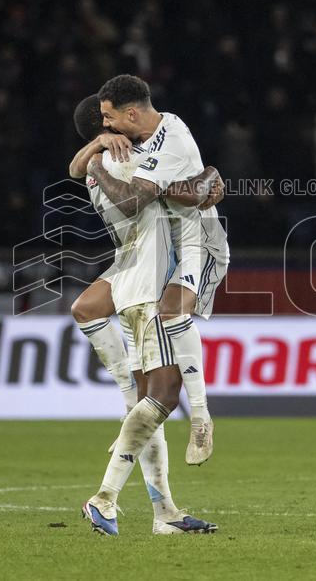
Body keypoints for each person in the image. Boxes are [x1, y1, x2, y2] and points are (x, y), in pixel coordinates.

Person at [78, 75, 229, 535]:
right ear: (106, 135)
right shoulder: (113, 165)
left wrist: (203, 181)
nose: (110, 126)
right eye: (103, 122)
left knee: (147, 406)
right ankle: (104, 498)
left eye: (111, 118)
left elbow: (177, 183)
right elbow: (133, 202)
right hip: (147, 282)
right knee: (160, 399)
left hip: (135, 278)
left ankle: (165, 513)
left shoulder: (155, 140)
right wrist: (203, 185)